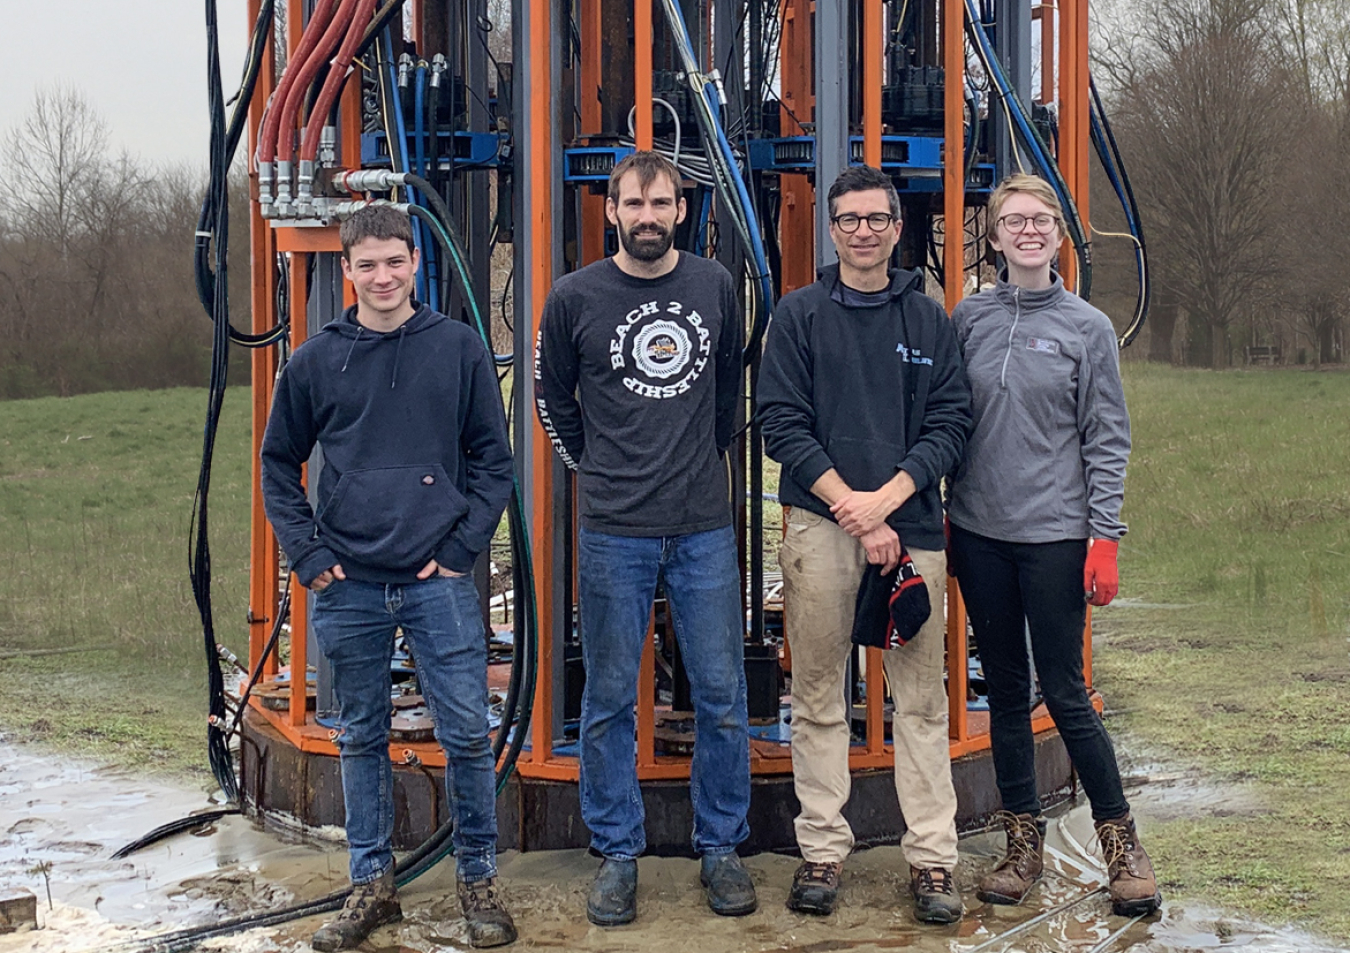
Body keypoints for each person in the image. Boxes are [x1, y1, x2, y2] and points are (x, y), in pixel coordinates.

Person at [261, 204, 518, 950]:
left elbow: (492, 462)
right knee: (361, 735)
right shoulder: (315, 360)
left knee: (468, 734)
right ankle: (371, 886)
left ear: (415, 263)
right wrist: (309, 557)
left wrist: (464, 546)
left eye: (394, 261)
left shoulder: (458, 348)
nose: (382, 276)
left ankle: (478, 882)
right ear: (347, 272)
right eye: (366, 264)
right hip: (349, 583)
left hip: (436, 577)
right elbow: (279, 463)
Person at [533, 150, 755, 927]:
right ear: (612, 211)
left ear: (682, 210)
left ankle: (721, 848)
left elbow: (730, 385)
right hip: (613, 531)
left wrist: (703, 461)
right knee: (605, 700)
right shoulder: (574, 298)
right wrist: (593, 470)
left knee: (723, 698)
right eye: (635, 203)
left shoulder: (715, 287)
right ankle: (617, 854)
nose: (648, 216)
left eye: (662, 203)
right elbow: (550, 395)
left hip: (700, 526)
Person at [759, 165, 972, 925]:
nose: (862, 231)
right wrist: (854, 507)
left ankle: (934, 860)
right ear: (832, 229)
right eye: (847, 219)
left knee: (921, 701)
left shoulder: (929, 319)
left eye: (876, 218)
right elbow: (780, 421)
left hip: (910, 526)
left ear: (896, 227)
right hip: (823, 525)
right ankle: (822, 849)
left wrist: (889, 500)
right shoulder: (799, 315)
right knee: (818, 695)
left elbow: (951, 422)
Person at [948, 173, 1161, 917]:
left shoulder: (1086, 328)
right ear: (996, 235)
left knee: (1064, 692)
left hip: (1056, 538)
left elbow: (1108, 438)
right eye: (1013, 221)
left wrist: (1104, 535)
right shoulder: (968, 319)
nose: (1028, 231)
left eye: (1041, 220)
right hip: (978, 533)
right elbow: (946, 420)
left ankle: (1121, 844)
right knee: (1005, 690)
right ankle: (1021, 845)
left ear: (1060, 236)